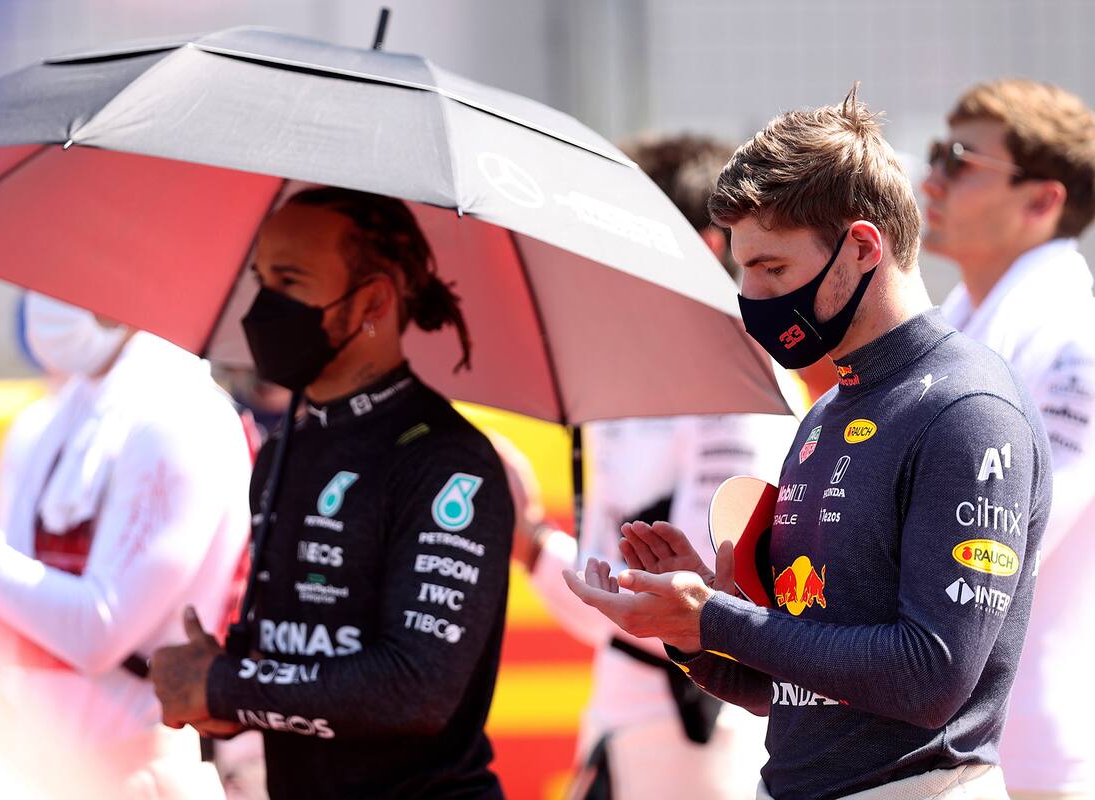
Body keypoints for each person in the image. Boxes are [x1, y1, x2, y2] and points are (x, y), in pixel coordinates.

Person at [562, 88, 1053, 800]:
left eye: (773, 270)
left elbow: (930, 674)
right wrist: (685, 629)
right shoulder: (823, 415)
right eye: (743, 270)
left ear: (860, 248)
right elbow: (785, 690)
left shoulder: (968, 408)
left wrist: (716, 614)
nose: (750, 296)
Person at [149, 187, 515, 799]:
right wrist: (233, 694)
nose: (266, 305)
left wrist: (226, 686)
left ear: (372, 301)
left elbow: (416, 688)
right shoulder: (284, 450)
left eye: (289, 282)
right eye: (261, 279)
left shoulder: (448, 462)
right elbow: (306, 668)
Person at [512, 133, 795, 800]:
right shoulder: (627, 365)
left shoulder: (738, 375)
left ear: (703, 248)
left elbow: (707, 604)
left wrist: (529, 547)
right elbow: (608, 583)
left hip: (699, 734)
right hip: (621, 716)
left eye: (622, 233)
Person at [0, 293, 252, 799]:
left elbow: (97, 632)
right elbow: (16, 636)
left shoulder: (184, 418)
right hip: (42, 770)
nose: (37, 297)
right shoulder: (47, 424)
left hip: (142, 771)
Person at [921, 78, 1095, 800]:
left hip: (1037, 749)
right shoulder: (959, 327)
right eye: (936, 153)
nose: (930, 178)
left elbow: (1006, 541)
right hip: (960, 737)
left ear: (1042, 200)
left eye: (960, 160)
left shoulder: (1073, 339)